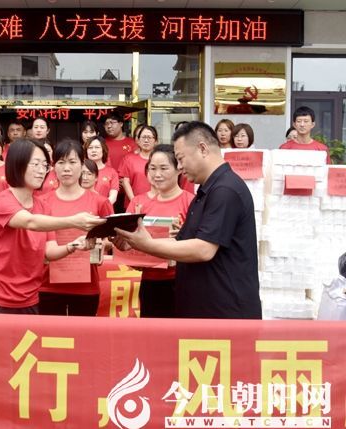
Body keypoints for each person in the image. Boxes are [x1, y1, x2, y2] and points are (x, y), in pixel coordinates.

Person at [112, 121, 261, 319]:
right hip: (205, 307)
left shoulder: (224, 190)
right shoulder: (208, 191)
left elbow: (203, 249)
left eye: (181, 159)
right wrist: (135, 242)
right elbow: (181, 242)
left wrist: (146, 244)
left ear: (203, 149)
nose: (180, 167)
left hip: (223, 312)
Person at [0, 138, 105, 314]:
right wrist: (74, 220)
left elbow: (49, 251)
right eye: (35, 164)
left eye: (44, 165)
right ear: (17, 164)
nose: (41, 171)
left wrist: (73, 245)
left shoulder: (43, 206)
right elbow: (30, 222)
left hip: (29, 298)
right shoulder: (2, 201)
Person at [39, 139, 113, 316]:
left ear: (82, 164)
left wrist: (102, 245)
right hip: (48, 285)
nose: (66, 168)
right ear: (53, 166)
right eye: (61, 162)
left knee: (83, 333)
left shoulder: (100, 202)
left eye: (72, 162)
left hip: (86, 287)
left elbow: (112, 240)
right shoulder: (41, 203)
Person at [126, 144, 194, 318]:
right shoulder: (142, 205)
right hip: (150, 282)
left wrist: (184, 235)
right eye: (152, 168)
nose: (157, 174)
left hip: (182, 282)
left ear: (179, 169)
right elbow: (131, 247)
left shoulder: (191, 202)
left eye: (164, 168)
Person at [119, 125, 158, 206]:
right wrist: (134, 201)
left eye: (149, 137)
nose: (146, 140)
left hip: (157, 203)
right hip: (133, 204)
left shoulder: (160, 159)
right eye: (143, 137)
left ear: (156, 141)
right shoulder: (129, 159)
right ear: (138, 141)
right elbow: (125, 182)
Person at [84, 136, 118, 204]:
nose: (93, 150)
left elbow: (113, 197)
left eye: (97, 147)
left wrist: (102, 206)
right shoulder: (80, 170)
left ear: (103, 150)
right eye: (90, 148)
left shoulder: (112, 172)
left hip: (104, 207)